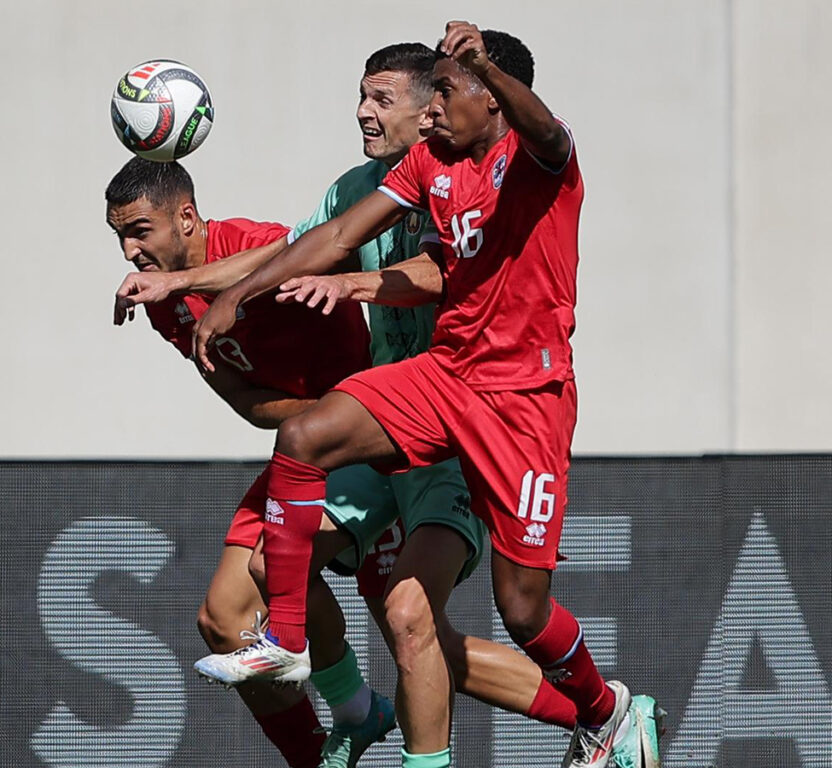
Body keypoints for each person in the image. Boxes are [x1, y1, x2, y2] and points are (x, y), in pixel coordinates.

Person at [121, 40, 662, 768]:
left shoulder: (532, 161)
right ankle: (289, 648)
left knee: (489, 616)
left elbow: (455, 244)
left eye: (403, 97)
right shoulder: (419, 167)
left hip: (519, 404)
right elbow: (335, 237)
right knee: (306, 448)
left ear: (487, 97)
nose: (368, 111)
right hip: (436, 380)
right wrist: (237, 296)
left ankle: (606, 712)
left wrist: (356, 285)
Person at [105, 156, 397, 768]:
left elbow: (307, 254)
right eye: (120, 237)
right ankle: (326, 746)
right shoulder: (166, 306)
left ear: (186, 217)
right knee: (223, 618)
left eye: (139, 231)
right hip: (316, 445)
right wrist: (325, 418)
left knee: (425, 638)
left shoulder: (247, 244)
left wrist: (353, 415)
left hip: (386, 441)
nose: (130, 252)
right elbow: (244, 401)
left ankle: (603, 710)